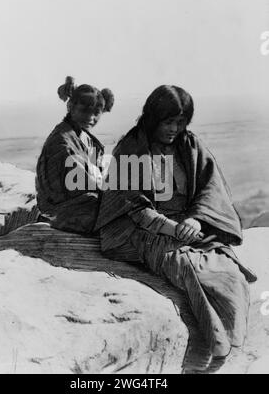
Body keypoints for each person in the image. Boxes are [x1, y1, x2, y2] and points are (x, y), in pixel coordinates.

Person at [95, 85, 257, 372]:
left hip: (190, 226)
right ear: (153, 118)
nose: (174, 128)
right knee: (190, 268)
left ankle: (229, 343)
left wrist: (195, 219)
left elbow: (210, 189)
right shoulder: (131, 149)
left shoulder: (190, 145)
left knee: (229, 274)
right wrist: (173, 229)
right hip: (145, 231)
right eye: (168, 121)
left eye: (180, 122)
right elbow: (133, 206)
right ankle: (215, 344)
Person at [36, 76, 114, 234]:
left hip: (81, 201)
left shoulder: (85, 138)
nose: (91, 118)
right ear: (70, 106)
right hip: (62, 209)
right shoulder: (62, 142)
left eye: (96, 113)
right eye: (85, 111)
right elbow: (82, 183)